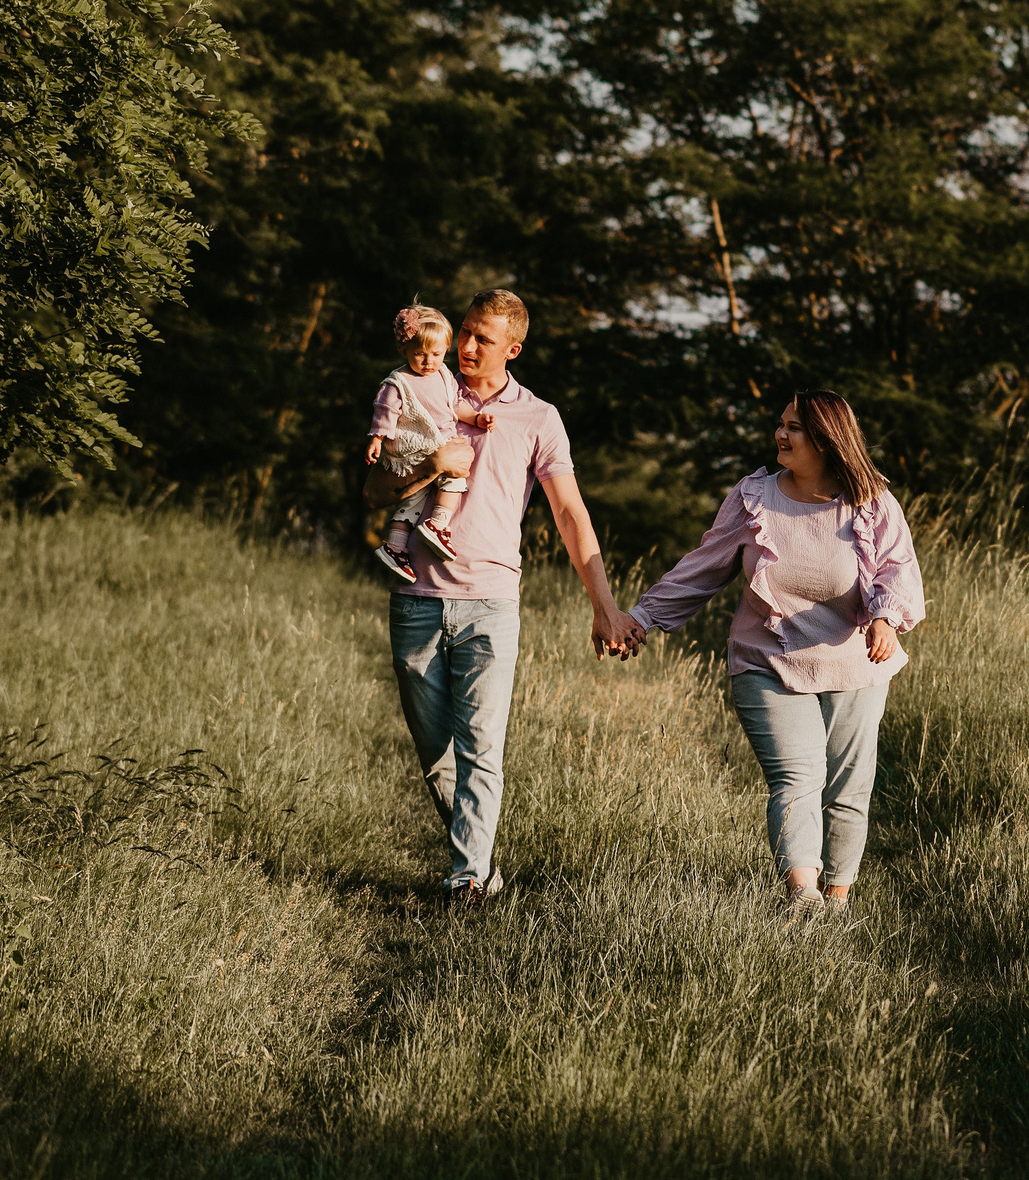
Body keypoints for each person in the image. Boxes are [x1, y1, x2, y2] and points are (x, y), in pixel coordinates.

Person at [606, 391, 925, 912]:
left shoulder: (871, 502)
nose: (781, 434)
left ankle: (839, 898)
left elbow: (897, 567)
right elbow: (703, 566)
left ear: (827, 440)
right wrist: (642, 617)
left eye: (794, 427)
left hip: (854, 661)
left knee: (848, 786)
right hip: (766, 661)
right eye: (781, 424)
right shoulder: (756, 497)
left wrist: (887, 617)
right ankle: (803, 897)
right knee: (797, 777)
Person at [390, 288, 627, 905]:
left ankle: (465, 879)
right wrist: (430, 463)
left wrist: (603, 605)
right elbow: (373, 488)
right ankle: (482, 866)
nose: (466, 346)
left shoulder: (539, 418)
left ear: (513, 350)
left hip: (491, 603)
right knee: (436, 757)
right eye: (464, 332)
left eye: (483, 339)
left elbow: (570, 515)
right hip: (415, 599)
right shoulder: (425, 388)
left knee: (479, 746)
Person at [364, 304, 489, 581]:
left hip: (436, 443)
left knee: (414, 499)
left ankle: (395, 547)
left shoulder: (444, 375)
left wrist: (476, 418)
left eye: (436, 354)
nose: (428, 361)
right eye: (419, 354)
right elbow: (385, 412)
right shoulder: (399, 382)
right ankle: (439, 523)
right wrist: (376, 439)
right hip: (413, 447)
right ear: (404, 350)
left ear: (445, 350)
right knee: (455, 477)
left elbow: (455, 406)